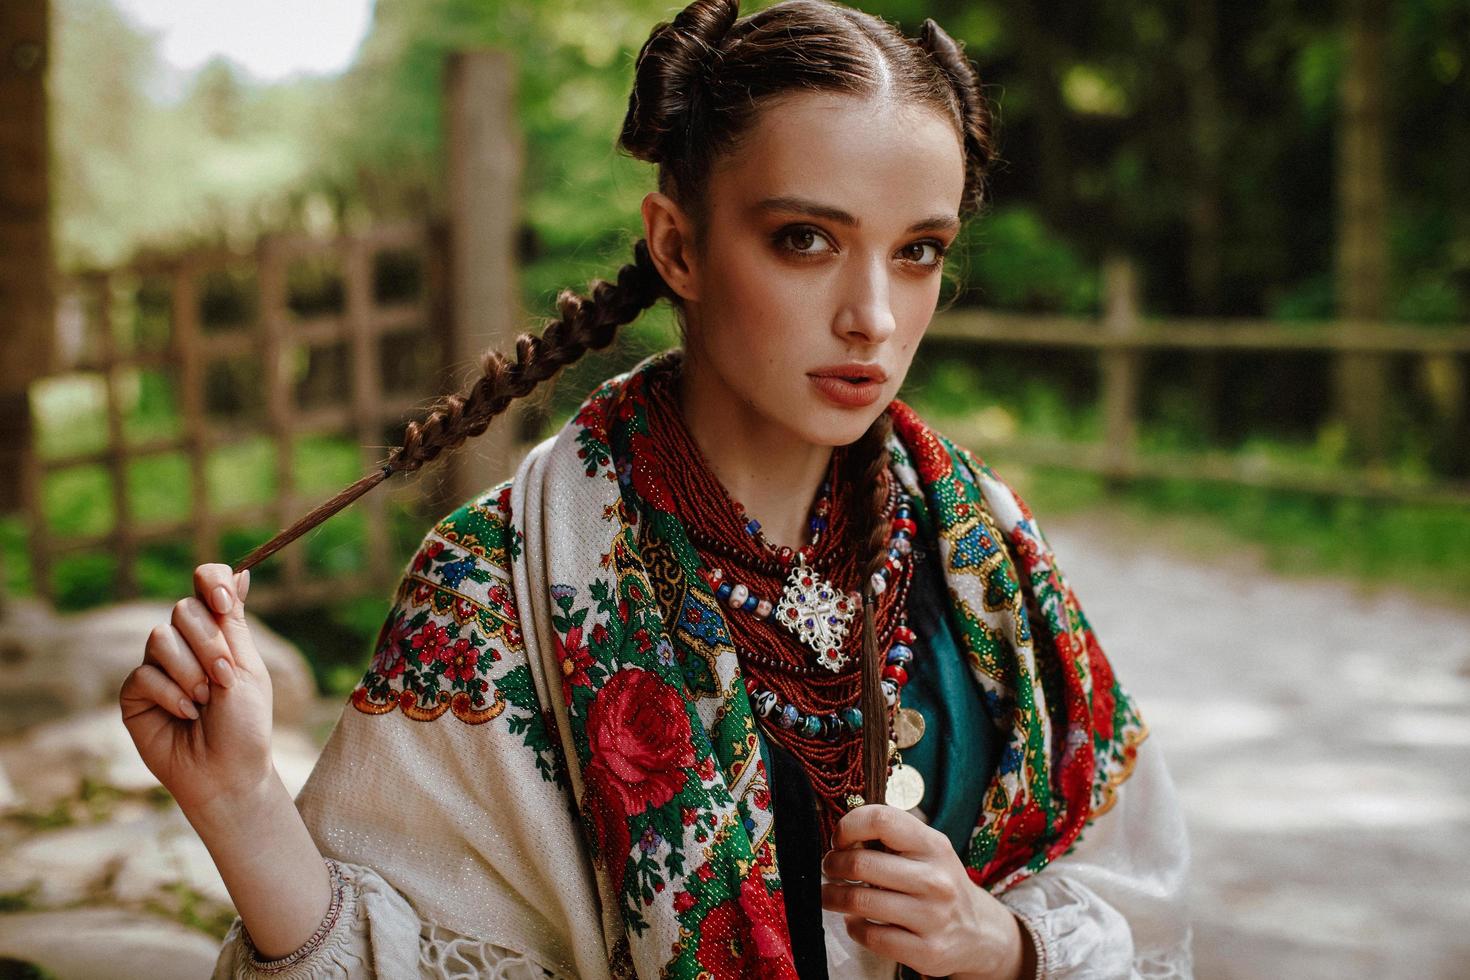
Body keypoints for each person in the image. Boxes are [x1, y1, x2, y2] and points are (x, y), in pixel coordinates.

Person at [117, 0, 1193, 976]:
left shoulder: (985, 554)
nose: (873, 312)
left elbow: (1137, 897)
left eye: (917, 251)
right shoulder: (496, 586)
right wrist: (240, 798)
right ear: (678, 243)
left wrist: (999, 941)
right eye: (806, 240)